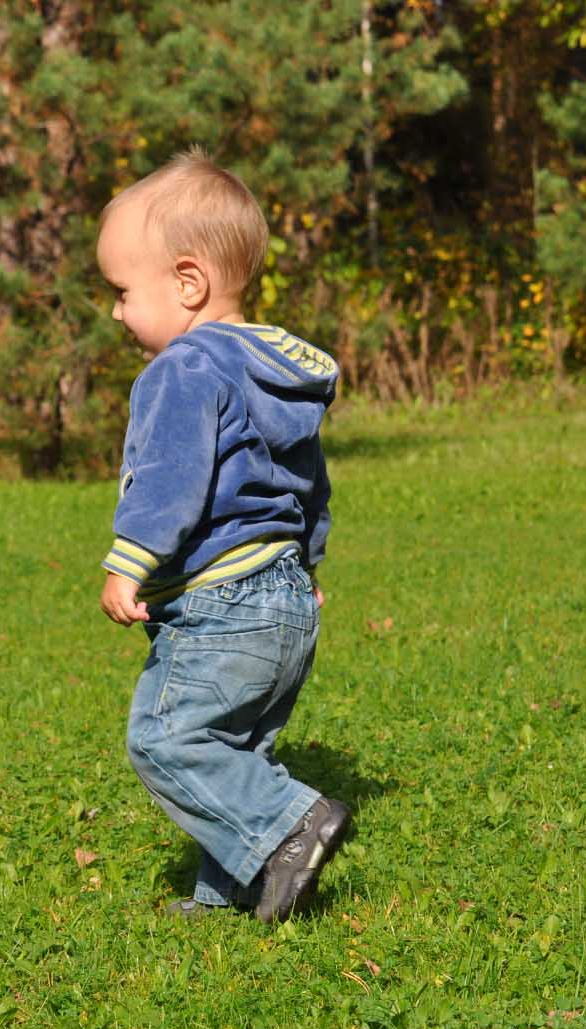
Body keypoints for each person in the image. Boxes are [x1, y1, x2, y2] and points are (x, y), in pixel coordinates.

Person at [96, 149, 351, 923]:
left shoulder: (184, 369)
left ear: (187, 282)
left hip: (222, 601)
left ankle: (291, 824)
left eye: (121, 291)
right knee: (235, 750)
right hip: (283, 599)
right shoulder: (269, 372)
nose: (114, 312)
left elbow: (170, 480)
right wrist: (305, 561)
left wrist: (127, 565)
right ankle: (232, 895)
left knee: (167, 740)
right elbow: (310, 483)